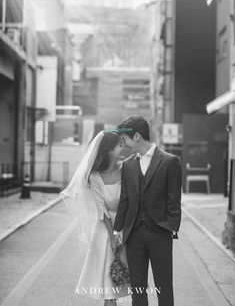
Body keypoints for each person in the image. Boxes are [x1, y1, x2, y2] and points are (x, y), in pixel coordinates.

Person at [113, 116, 182, 306]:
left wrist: (171, 227)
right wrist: (117, 229)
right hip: (134, 235)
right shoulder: (128, 165)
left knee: (164, 286)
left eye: (124, 139)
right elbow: (124, 201)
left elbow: (174, 200)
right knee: (138, 289)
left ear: (136, 136)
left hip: (160, 234)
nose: (123, 144)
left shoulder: (170, 161)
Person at [60, 131, 129, 306]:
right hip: (105, 231)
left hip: (127, 228)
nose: (124, 148)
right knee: (108, 287)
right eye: (120, 145)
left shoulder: (127, 170)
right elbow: (102, 210)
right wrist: (113, 236)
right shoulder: (94, 176)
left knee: (124, 281)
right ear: (108, 150)